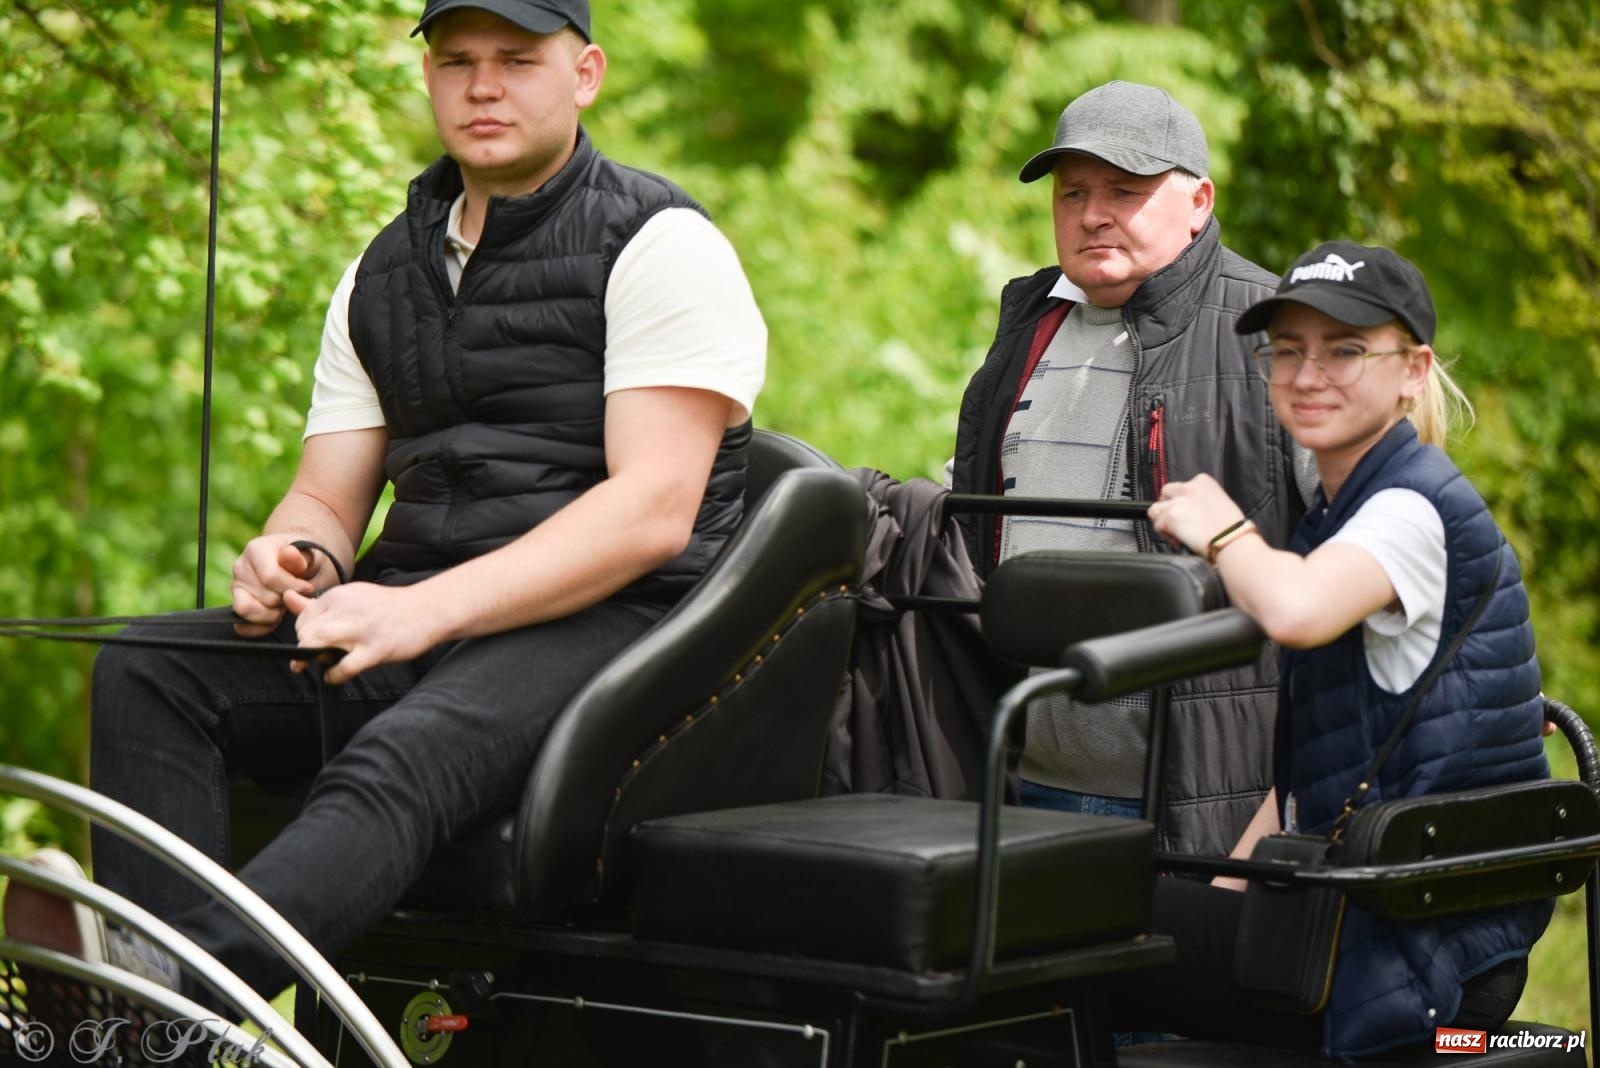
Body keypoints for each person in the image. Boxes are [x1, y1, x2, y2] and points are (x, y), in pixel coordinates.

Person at [3, 0, 766, 1005]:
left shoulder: (661, 244)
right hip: (420, 611)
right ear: (428, 79)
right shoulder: (380, 271)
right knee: (151, 669)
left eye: (515, 60)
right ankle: (154, 1001)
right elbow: (326, 497)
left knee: (402, 753)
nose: (482, 86)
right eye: (455, 61)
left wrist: (419, 610)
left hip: (616, 622)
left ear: (584, 74)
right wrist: (293, 556)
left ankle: (163, 997)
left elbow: (652, 512)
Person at [1132, 241, 1548, 1057]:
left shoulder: (1410, 509)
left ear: (1413, 369)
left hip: (1416, 952)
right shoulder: (1345, 509)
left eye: (1346, 350)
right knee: (1106, 904)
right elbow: (1317, 770)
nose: (1308, 374)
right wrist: (1225, 890)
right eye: (1288, 351)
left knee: (1068, 917)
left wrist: (1222, 527)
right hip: (1370, 913)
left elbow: (1294, 609)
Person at [950, 80, 1312, 855]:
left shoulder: (1273, 335)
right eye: (1072, 191)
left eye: (1125, 189)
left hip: (1210, 803)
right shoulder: (1026, 325)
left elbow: (1358, 556)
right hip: (1022, 782)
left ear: (1200, 201)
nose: (1091, 213)